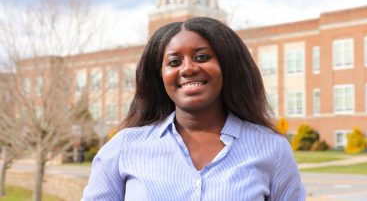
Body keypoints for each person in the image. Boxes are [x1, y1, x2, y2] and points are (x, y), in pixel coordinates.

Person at [82, 17, 306, 200]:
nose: (187, 68)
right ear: (160, 76)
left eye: (202, 57)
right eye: (174, 62)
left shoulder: (272, 149)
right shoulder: (124, 148)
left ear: (228, 66)